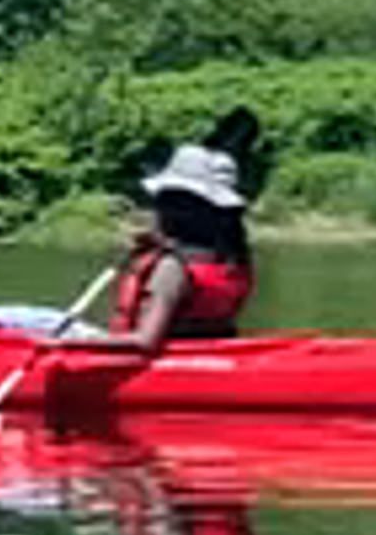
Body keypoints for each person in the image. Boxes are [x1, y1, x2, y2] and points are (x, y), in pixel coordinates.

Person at [114, 104, 266, 351]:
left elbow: (144, 342)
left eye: (163, 201)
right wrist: (160, 244)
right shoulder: (234, 256)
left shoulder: (172, 268)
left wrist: (68, 344)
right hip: (207, 350)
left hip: (157, 359)